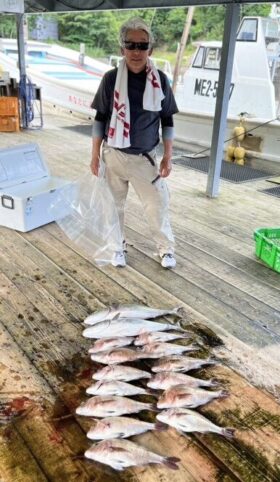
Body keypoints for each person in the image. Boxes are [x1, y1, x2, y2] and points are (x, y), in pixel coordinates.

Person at [90, 17, 178, 269]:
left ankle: (165, 249)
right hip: (114, 155)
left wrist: (168, 156)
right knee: (112, 207)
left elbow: (167, 120)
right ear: (122, 48)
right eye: (131, 45)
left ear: (150, 48)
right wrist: (95, 154)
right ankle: (118, 246)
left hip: (145, 158)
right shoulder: (110, 79)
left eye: (142, 45)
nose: (136, 51)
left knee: (156, 206)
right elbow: (100, 118)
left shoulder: (160, 80)